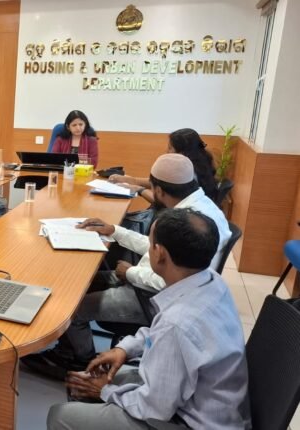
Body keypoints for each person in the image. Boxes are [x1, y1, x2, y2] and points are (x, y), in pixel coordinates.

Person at [22, 153, 232, 378]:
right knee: (77, 282)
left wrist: (130, 273)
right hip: (146, 278)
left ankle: (78, 360)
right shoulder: (198, 207)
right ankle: (69, 345)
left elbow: (173, 280)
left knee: (73, 309)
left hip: (149, 294)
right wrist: (114, 230)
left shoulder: (189, 220)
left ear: (159, 191)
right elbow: (155, 248)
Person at [47, 208, 250, 429]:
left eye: (151, 243)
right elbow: (159, 330)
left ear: (160, 253)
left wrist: (104, 391)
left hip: (185, 421)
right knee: (90, 378)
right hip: (198, 401)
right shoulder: (210, 281)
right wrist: (124, 349)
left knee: (59, 415)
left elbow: (153, 408)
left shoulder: (177, 324)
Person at [108, 128, 218, 203]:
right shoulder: (200, 163)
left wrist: (139, 189)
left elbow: (165, 203)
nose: (166, 151)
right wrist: (132, 180)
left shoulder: (188, 174)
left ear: (182, 152)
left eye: (170, 148)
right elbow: (164, 184)